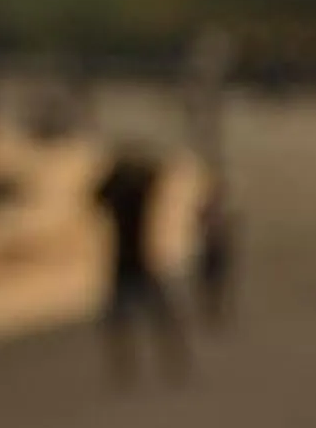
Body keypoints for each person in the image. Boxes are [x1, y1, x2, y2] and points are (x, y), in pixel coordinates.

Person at [91, 145, 187, 385]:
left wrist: (116, 169)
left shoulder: (123, 192)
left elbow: (96, 197)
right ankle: (165, 364)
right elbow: (155, 175)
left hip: (128, 259)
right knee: (153, 316)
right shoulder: (138, 190)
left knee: (127, 319)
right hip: (138, 259)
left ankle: (127, 368)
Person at [190, 175, 236, 329]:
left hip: (215, 250)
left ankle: (213, 310)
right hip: (212, 250)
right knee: (211, 282)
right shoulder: (212, 210)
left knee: (214, 282)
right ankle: (211, 310)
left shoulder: (214, 210)